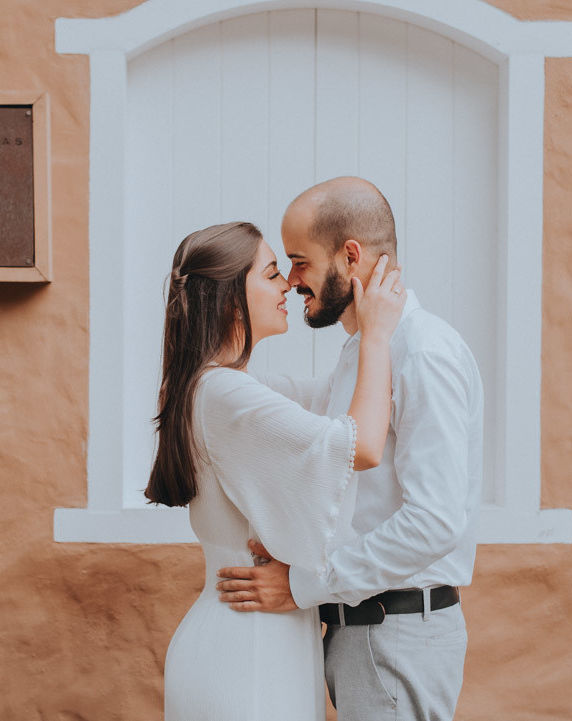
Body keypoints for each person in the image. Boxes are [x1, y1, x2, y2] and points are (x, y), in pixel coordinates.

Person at [215, 177, 485, 721]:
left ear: (351, 256)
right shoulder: (365, 352)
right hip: (365, 634)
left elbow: (434, 521)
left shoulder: (423, 354)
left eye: (299, 262)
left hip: (393, 634)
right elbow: (305, 405)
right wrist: (209, 374)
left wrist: (304, 584)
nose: (291, 282)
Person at [146, 220, 406, 721]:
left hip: (255, 640)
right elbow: (362, 445)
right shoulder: (226, 394)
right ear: (229, 301)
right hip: (248, 655)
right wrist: (376, 336)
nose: (287, 283)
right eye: (270, 274)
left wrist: (356, 316)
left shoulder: (220, 386)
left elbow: (336, 395)